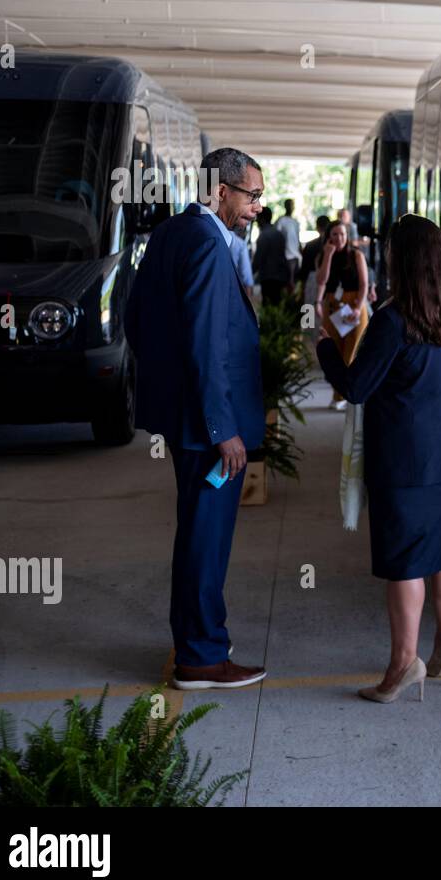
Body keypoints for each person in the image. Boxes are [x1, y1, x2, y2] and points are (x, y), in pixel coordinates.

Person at [122, 148, 267, 691]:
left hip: (186, 420)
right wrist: (220, 427)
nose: (258, 205)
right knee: (206, 541)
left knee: (195, 535)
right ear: (219, 191)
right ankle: (202, 658)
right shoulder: (207, 243)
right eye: (251, 194)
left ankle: (197, 641)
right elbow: (207, 345)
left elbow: (137, 322)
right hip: (209, 428)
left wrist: (172, 390)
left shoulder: (168, 234)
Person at [316, 213, 441, 703]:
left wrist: (325, 349)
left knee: (406, 564)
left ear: (401, 260)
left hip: (403, 459)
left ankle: (403, 666)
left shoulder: (393, 320)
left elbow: (357, 386)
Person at [315, 221, 370, 410]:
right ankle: (338, 393)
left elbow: (364, 283)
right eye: (336, 234)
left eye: (343, 234)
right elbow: (321, 281)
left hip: (354, 304)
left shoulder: (356, 255)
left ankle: (343, 395)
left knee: (352, 351)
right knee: (334, 350)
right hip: (333, 306)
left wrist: (358, 307)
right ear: (329, 236)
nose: (340, 238)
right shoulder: (324, 255)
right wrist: (328, 256)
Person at [252, 206, 289, 305]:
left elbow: (258, 259)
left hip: (268, 278)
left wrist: (249, 273)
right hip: (281, 276)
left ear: (262, 219)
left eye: (257, 219)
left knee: (268, 307)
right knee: (278, 307)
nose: (257, 222)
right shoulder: (279, 234)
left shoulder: (264, 236)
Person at [298, 214, 331, 306]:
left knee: (310, 314)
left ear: (317, 227)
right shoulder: (334, 245)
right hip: (330, 282)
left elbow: (304, 270)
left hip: (312, 280)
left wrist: (302, 290)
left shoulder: (310, 245)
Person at [276, 198, 302, 291]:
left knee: (294, 283)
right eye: (289, 205)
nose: (291, 207)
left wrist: (301, 249)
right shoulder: (281, 220)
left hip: (295, 255)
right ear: (285, 206)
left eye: (292, 205)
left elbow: (298, 238)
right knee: (286, 283)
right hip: (285, 255)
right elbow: (277, 237)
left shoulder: (295, 222)